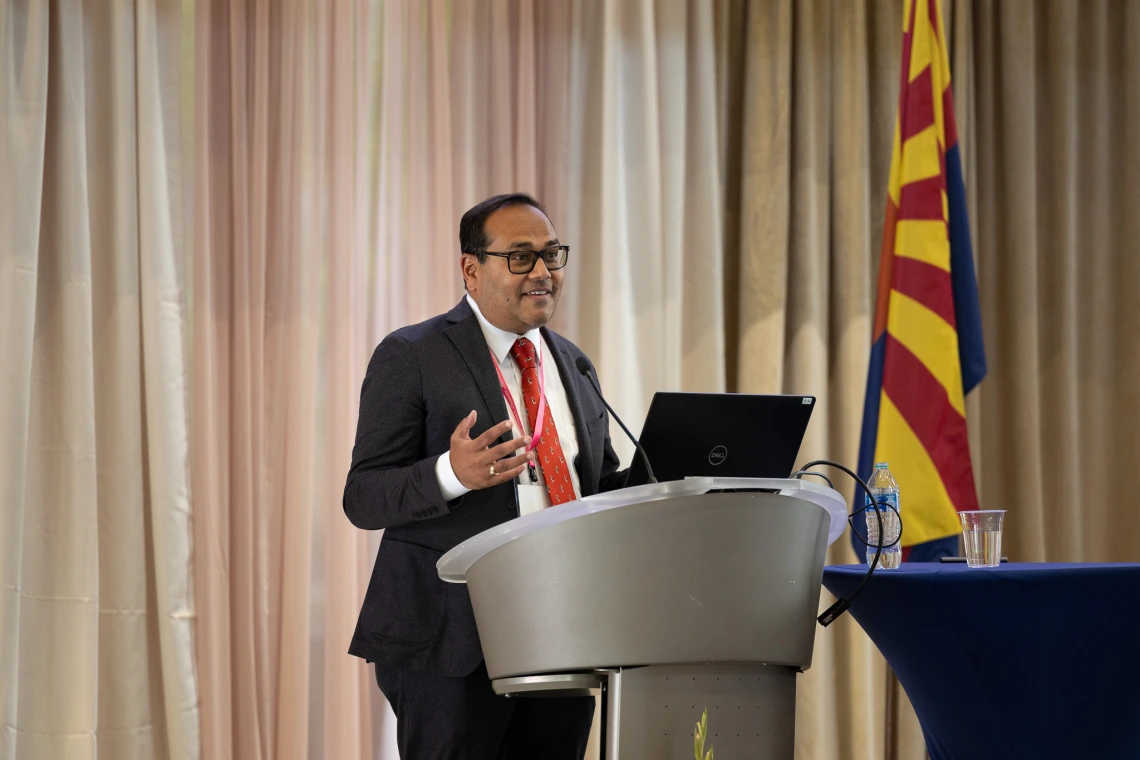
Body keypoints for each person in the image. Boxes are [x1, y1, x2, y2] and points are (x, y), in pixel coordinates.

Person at [344, 193, 628, 759]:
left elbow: (600, 486)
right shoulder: (414, 354)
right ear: (471, 269)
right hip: (451, 641)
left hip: (564, 631)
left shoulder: (571, 362)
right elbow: (364, 497)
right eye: (521, 257)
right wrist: (452, 473)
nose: (543, 272)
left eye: (551, 255)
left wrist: (684, 481)